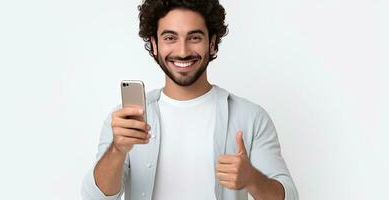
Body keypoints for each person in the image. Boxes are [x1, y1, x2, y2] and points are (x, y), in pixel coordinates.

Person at [82, 0, 298, 199]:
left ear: (212, 43)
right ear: (154, 44)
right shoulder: (126, 120)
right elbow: (93, 197)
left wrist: (252, 179)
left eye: (194, 37)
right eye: (170, 38)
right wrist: (118, 150)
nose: (183, 51)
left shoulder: (251, 117)